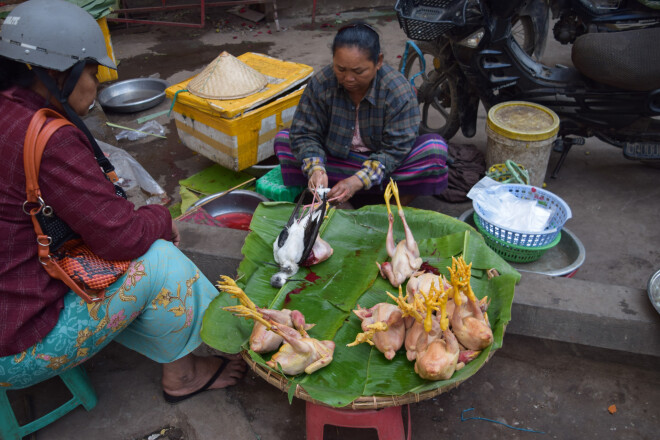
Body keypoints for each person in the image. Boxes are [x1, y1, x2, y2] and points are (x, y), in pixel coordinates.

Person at [0, 0, 244, 404]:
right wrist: (161, 218)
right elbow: (123, 238)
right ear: (61, 72)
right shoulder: (46, 137)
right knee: (162, 259)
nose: (96, 85)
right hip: (15, 346)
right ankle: (182, 376)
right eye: (93, 73)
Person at [274, 22, 449, 207]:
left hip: (383, 164)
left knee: (434, 150)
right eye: (340, 69)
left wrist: (357, 181)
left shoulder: (397, 90)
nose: (348, 78)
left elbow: (394, 151)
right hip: (336, 158)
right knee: (284, 141)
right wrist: (316, 168)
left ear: (378, 62)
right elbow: (304, 133)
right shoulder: (322, 83)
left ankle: (383, 208)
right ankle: (333, 186)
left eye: (358, 71)